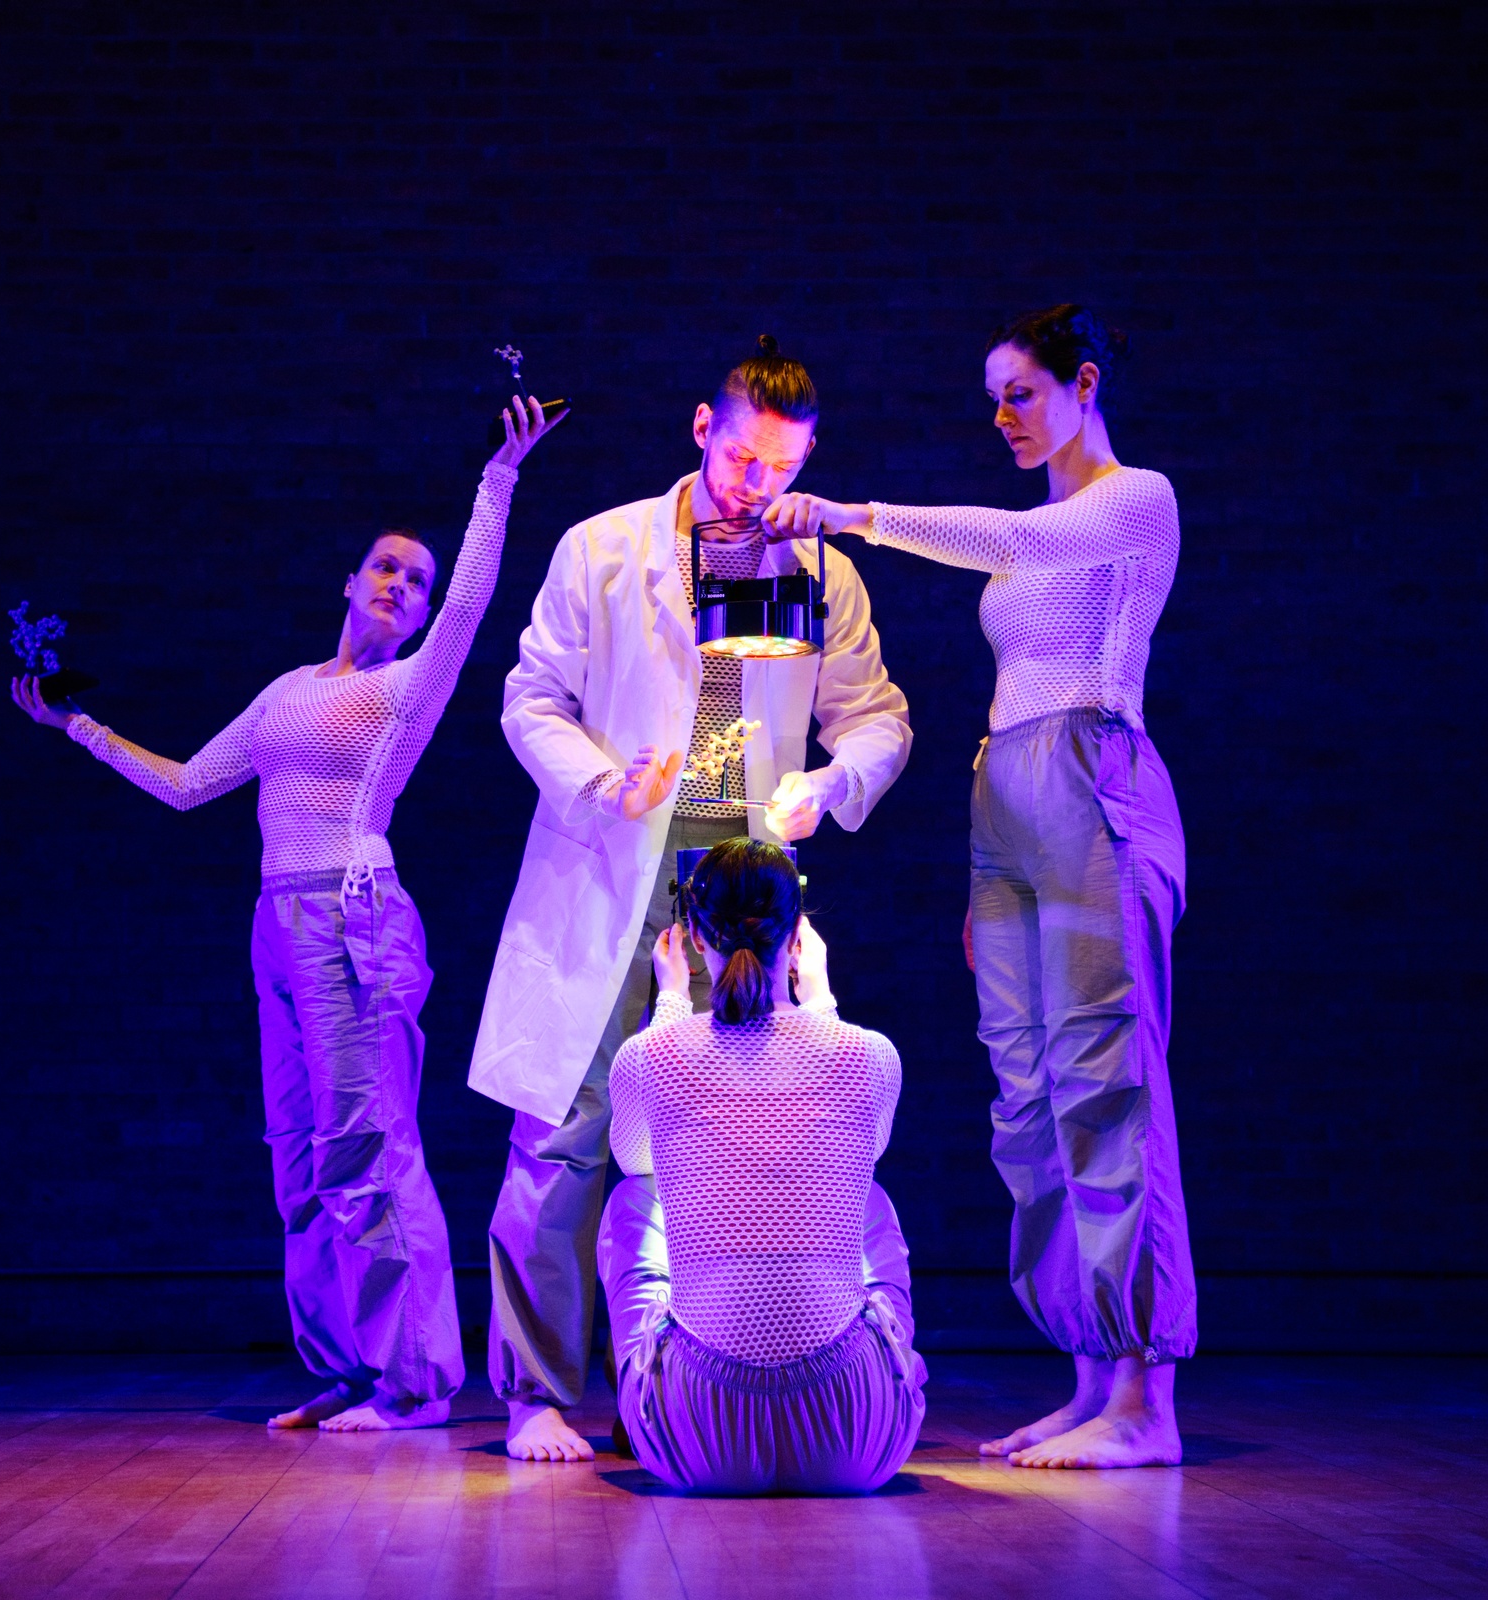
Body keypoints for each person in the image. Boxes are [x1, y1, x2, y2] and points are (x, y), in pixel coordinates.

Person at [10, 396, 564, 1433]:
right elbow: (186, 786)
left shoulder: (407, 686)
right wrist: (74, 723)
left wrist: (500, 476)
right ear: (348, 583)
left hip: (354, 919)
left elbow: (472, 601)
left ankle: (414, 1382)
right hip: (276, 925)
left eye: (416, 579)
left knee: (367, 1144)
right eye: (385, 568)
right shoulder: (284, 692)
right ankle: (351, 1366)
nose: (401, 585)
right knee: (300, 1158)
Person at [760, 305, 1192, 1470]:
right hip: (1003, 800)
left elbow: (1019, 544)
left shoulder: (1132, 500)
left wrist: (854, 515)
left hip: (1092, 778)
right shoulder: (1037, 526)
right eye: (992, 398)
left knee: (1104, 1076)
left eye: (1020, 392)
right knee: (1024, 1096)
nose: (1001, 415)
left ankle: (1144, 1398)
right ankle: (1089, 1373)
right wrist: (980, 868)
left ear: (1082, 384)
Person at [472, 337, 913, 1463]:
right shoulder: (602, 547)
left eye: (784, 468)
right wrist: (599, 780)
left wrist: (831, 784)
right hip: (612, 857)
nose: (758, 485)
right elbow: (531, 698)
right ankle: (534, 1391)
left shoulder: (820, 571)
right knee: (566, 1131)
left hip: (737, 875)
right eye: (743, 457)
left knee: (730, 1134)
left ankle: (674, 1382)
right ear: (701, 428)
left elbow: (876, 717)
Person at [599, 839, 924, 1494]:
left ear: (693, 936)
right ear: (798, 935)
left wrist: (670, 1003)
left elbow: (638, 1160)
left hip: (696, 1436)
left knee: (634, 1200)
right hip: (855, 1436)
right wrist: (822, 1001)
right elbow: (862, 1152)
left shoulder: (648, 1056)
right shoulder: (871, 1055)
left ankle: (652, 1387)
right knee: (869, 1197)